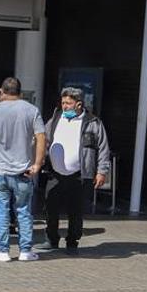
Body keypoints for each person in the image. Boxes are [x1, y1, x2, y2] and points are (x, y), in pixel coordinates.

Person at [0, 77, 46, 262]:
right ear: (20, 92)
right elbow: (41, 137)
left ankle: (2, 249)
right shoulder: (32, 110)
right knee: (23, 210)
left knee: (0, 210)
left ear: (1, 91)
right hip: (23, 170)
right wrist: (37, 164)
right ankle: (25, 250)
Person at [42, 87, 112, 255]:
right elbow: (43, 138)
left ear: (79, 104)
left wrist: (102, 171)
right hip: (55, 173)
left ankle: (72, 242)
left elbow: (103, 148)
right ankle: (51, 239)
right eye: (63, 102)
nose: (64, 106)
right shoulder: (56, 118)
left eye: (68, 103)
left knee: (76, 210)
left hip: (79, 175)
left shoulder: (93, 123)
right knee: (50, 208)